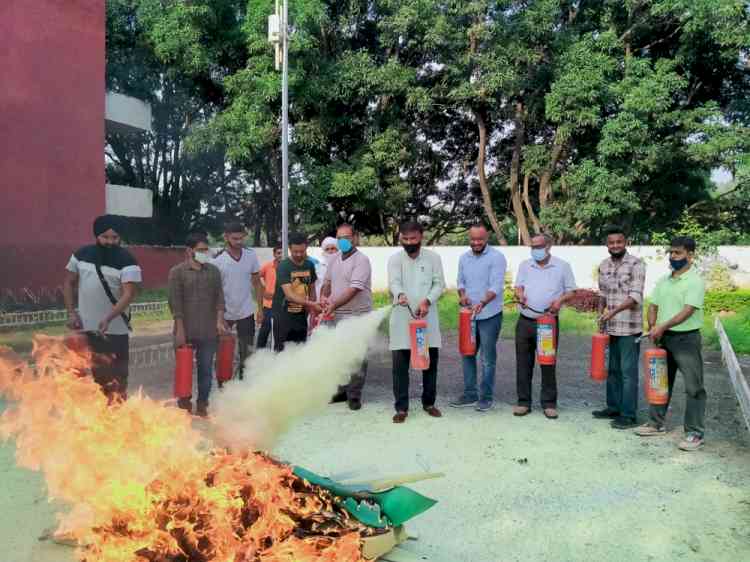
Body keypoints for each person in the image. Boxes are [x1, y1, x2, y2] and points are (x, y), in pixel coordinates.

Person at [636, 236, 707, 451]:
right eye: (671, 253)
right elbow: (653, 304)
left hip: (686, 339)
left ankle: (695, 433)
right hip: (663, 338)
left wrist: (662, 326)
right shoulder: (665, 280)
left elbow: (687, 311)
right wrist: (652, 327)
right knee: (660, 382)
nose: (673, 257)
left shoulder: (695, 281)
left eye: (678, 253)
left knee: (694, 386)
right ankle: (656, 424)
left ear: (690, 255)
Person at [63, 214, 141, 402]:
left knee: (117, 379)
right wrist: (71, 313)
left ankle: (117, 419)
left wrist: (109, 318)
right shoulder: (81, 255)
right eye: (105, 237)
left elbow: (128, 294)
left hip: (115, 330)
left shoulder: (128, 260)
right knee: (92, 377)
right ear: (96, 236)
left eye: (115, 237)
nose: (110, 242)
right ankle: (99, 421)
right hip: (87, 329)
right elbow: (68, 283)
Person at [513, 233, 576, 419]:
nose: (535, 250)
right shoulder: (525, 265)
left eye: (538, 246)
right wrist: (520, 295)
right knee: (523, 364)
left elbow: (572, 291)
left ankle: (549, 403)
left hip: (547, 323)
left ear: (549, 246)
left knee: (547, 363)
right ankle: (523, 402)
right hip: (525, 320)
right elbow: (518, 286)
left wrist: (559, 301)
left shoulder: (562, 266)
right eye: (532, 247)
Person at [388, 221, 446, 423]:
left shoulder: (433, 258)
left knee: (429, 362)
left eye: (413, 238)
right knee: (400, 366)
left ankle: (429, 403)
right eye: (405, 239)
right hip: (402, 318)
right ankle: (401, 408)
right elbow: (394, 282)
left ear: (421, 236)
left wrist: (428, 300)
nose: (409, 242)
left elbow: (440, 284)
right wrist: (400, 294)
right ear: (400, 238)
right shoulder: (395, 259)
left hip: (426, 318)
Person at [167, 232, 227, 417]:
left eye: (205, 250)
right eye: (200, 250)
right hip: (185, 329)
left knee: (206, 370)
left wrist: (219, 322)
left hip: (208, 331)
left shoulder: (213, 271)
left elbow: (219, 299)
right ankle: (184, 403)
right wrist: (180, 331)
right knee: (184, 368)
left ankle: (203, 404)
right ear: (189, 251)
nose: (203, 253)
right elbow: (175, 303)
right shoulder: (177, 272)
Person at [592, 226, 646, 429]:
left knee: (627, 372)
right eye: (611, 242)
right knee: (612, 370)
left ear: (626, 243)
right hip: (610, 327)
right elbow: (602, 294)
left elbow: (635, 296)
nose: (615, 245)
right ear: (607, 245)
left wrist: (612, 313)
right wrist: (600, 316)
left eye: (619, 242)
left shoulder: (636, 264)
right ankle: (613, 407)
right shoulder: (604, 265)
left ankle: (628, 414)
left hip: (629, 328)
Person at [449, 224, 507, 412]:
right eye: (472, 239)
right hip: (468, 316)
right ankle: (470, 394)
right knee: (467, 354)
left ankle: (486, 397)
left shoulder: (496, 257)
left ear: (487, 237)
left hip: (489, 315)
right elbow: (460, 281)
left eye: (479, 239)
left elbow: (496, 286)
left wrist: (482, 302)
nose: (475, 243)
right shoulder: (463, 258)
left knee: (487, 358)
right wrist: (462, 294)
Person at [321, 224, 373, 410]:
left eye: (347, 237)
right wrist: (324, 298)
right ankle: (341, 391)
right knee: (340, 355)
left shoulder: (362, 260)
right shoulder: (334, 259)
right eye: (339, 237)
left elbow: (354, 289)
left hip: (358, 315)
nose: (343, 241)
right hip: (338, 315)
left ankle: (354, 395)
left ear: (355, 238)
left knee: (357, 356)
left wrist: (333, 304)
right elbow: (327, 283)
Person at [211, 221, 263, 380]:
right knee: (223, 353)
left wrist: (260, 309)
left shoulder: (251, 255)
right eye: (235, 239)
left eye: (241, 238)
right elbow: (215, 292)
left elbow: (257, 283)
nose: (239, 242)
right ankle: (222, 386)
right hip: (225, 314)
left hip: (246, 312)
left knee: (247, 354)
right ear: (226, 237)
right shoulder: (217, 261)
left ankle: (244, 386)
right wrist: (217, 318)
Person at [272, 232, 322, 351]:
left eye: (302, 251)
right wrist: (312, 305)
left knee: (299, 350)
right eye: (295, 251)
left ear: (306, 248)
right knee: (282, 352)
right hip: (283, 317)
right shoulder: (284, 266)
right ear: (289, 248)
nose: (299, 254)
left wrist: (312, 311)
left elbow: (312, 289)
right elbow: (289, 295)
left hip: (301, 316)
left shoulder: (309, 265)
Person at [257, 246, 283, 349]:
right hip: (269, 304)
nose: (280, 255)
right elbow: (255, 279)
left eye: (282, 253)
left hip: (283, 304)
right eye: (278, 253)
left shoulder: (289, 267)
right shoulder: (268, 266)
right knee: (265, 329)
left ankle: (277, 354)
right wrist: (264, 290)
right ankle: (259, 352)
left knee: (279, 330)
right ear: (274, 254)